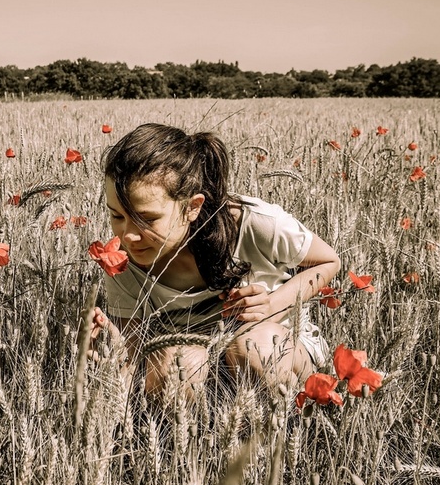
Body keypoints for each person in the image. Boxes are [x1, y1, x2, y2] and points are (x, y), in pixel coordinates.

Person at [89, 123, 340, 397]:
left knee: (254, 348)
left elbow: (328, 262)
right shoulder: (122, 261)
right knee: (174, 367)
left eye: (146, 219)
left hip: (277, 349)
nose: (128, 236)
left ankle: (285, 431)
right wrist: (113, 357)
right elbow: (134, 348)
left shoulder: (254, 223)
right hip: (194, 364)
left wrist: (272, 304)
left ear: (192, 207)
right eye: (117, 216)